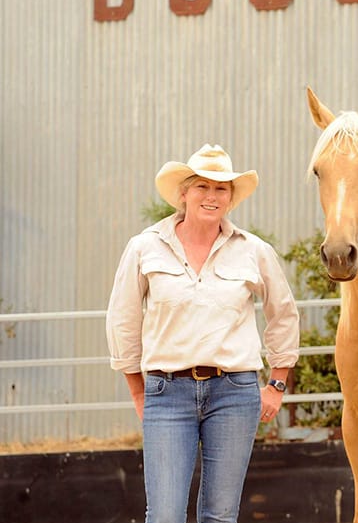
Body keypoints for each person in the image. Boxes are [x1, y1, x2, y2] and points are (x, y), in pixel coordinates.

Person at [106, 144, 300, 523]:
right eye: (202, 187)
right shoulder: (145, 247)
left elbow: (284, 312)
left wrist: (277, 382)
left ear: (230, 198)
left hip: (234, 393)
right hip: (166, 393)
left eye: (221, 189)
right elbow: (122, 319)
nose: (211, 197)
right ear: (184, 194)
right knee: (163, 515)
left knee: (221, 515)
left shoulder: (253, 251)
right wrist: (137, 390)